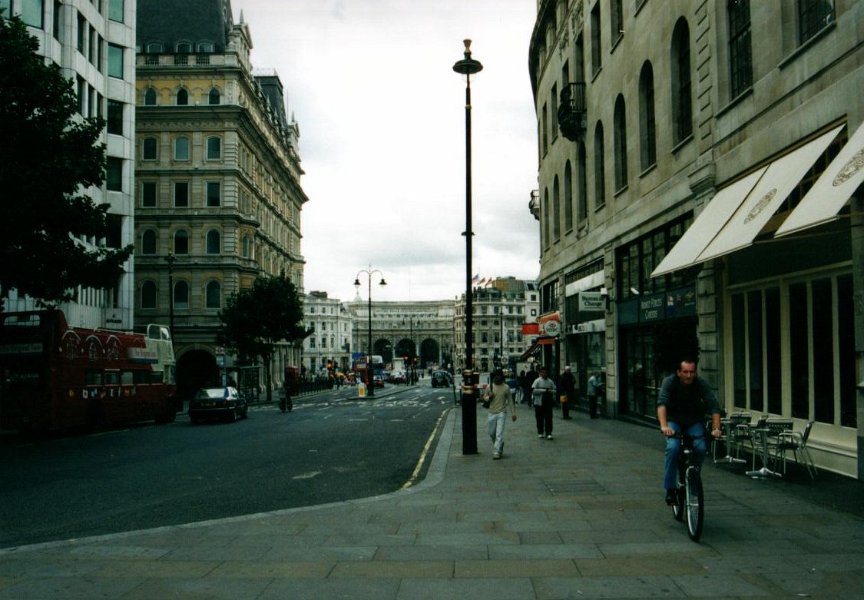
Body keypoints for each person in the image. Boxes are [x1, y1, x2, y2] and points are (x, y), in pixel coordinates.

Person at [657, 358, 722, 505]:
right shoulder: (670, 382)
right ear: (678, 372)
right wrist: (664, 426)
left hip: (693, 421)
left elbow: (714, 407)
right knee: (672, 448)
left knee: (700, 447)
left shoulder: (700, 384)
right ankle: (670, 489)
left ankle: (693, 477)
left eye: (692, 372)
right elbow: (662, 404)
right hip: (674, 420)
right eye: (685, 372)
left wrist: (716, 428)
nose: (688, 375)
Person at [482, 370, 517, 459]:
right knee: (491, 433)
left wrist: (513, 413)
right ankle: (500, 444)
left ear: (502, 377)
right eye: (495, 376)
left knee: (499, 433)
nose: (497, 378)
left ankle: (497, 451)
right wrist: (488, 397)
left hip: (502, 412)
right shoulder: (489, 387)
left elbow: (510, 401)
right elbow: (484, 398)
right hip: (491, 412)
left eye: (498, 376)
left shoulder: (506, 387)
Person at [531, 366, 556, 439]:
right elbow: (533, 390)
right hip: (539, 402)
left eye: (546, 372)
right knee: (539, 418)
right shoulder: (537, 381)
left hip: (548, 403)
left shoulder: (550, 381)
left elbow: (555, 390)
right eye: (543, 372)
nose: (544, 374)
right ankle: (540, 431)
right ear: (541, 373)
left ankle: (549, 432)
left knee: (549, 418)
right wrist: (543, 391)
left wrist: (549, 391)